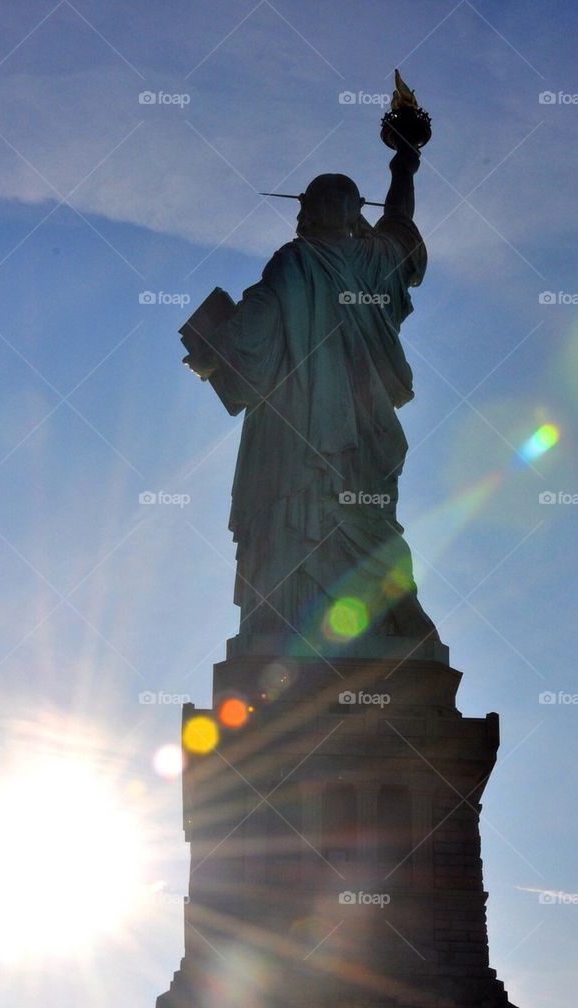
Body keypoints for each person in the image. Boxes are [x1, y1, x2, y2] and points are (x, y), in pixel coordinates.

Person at [186, 140, 438, 650]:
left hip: (308, 425)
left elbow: (250, 336)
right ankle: (379, 618)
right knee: (354, 511)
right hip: (339, 423)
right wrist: (404, 161)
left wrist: (214, 346)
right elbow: (398, 225)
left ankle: (305, 623)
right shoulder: (354, 260)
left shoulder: (302, 261)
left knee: (319, 510)